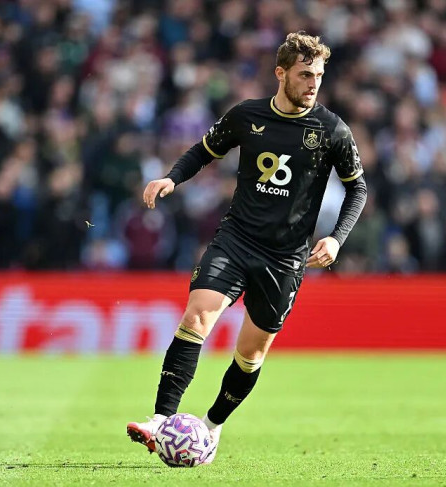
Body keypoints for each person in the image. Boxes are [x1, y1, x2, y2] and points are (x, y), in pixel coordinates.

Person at [126, 31, 367, 464]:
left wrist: (336, 237)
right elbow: (204, 151)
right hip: (236, 239)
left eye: (318, 75)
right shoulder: (247, 115)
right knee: (196, 316)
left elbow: (357, 189)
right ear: (281, 73)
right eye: (304, 74)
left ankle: (212, 426)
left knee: (251, 353)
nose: (313, 83)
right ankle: (160, 420)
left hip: (285, 258)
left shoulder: (331, 129)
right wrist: (171, 178)